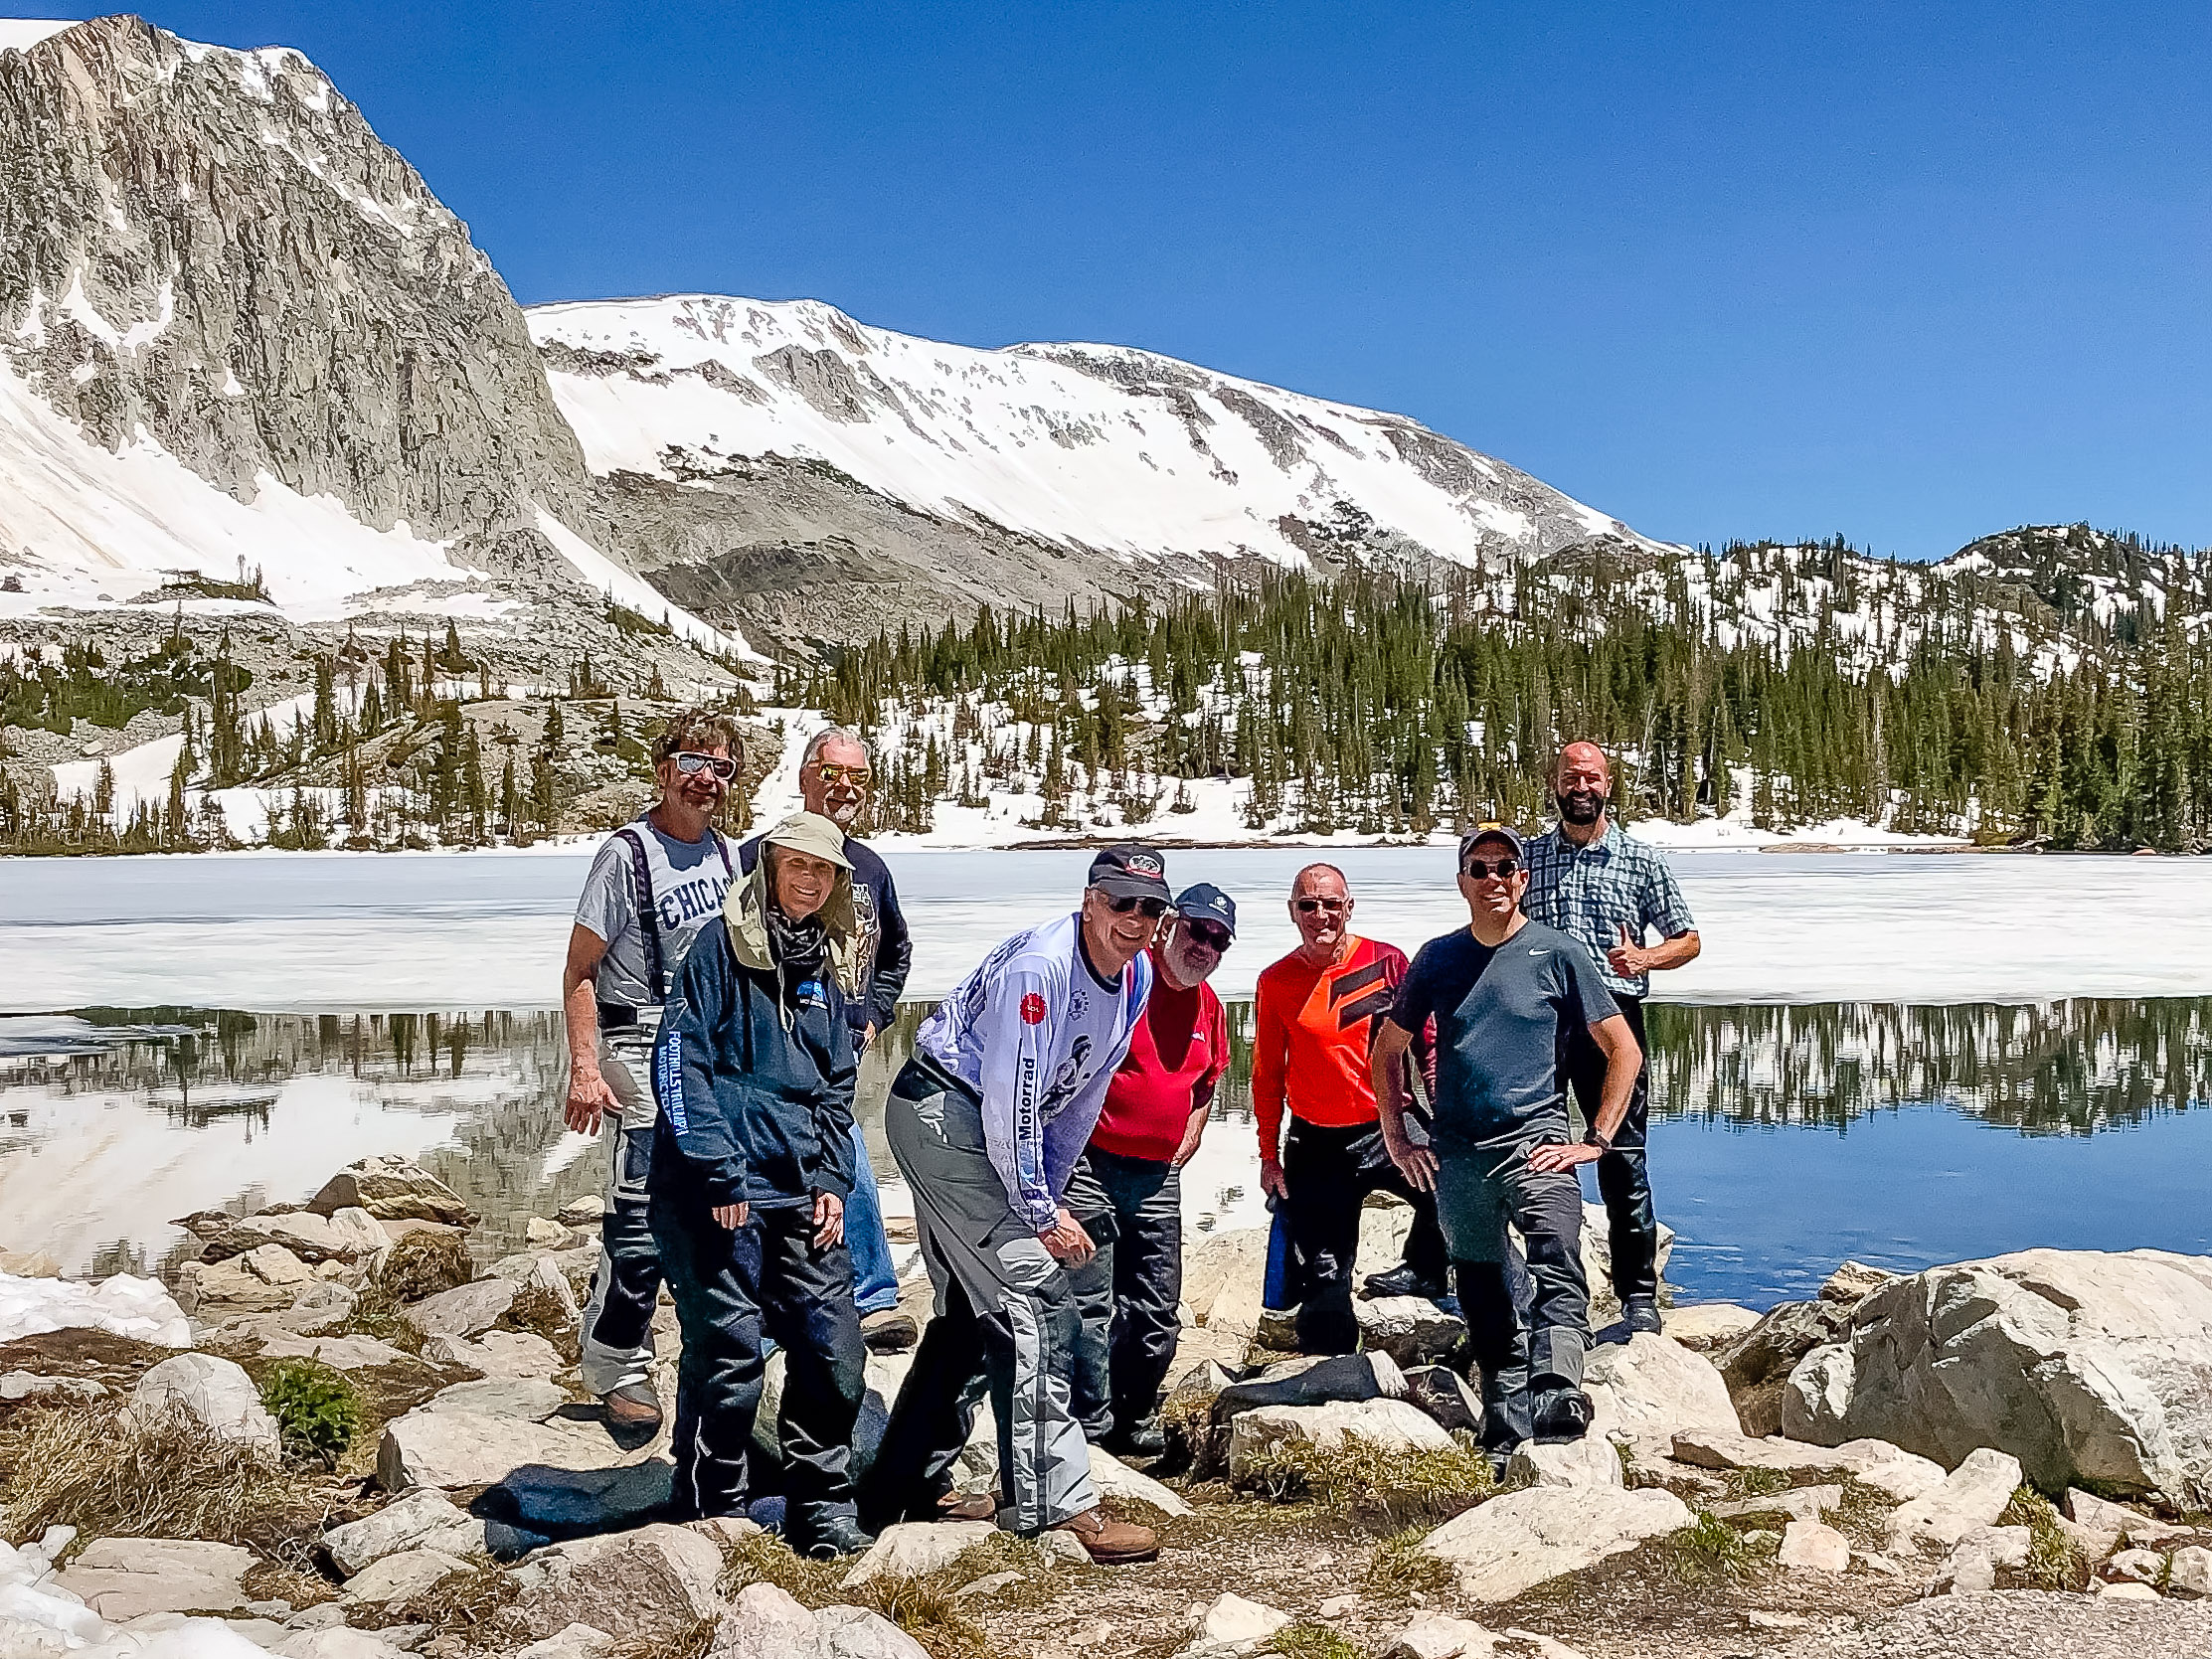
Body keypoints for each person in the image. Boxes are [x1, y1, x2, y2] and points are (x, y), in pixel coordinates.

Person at [859, 845, 1168, 1565]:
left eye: (1150, 907)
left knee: (976, 1308)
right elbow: (1013, 1096)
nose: (1135, 920)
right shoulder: (1041, 969)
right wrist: (1035, 1208)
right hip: (945, 1111)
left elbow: (1080, 1091)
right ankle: (1051, 1504)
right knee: (1032, 1294)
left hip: (988, 1125)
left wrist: (1050, 1186)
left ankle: (902, 1484)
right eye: (1121, 902)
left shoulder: (1136, 975)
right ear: (1090, 900)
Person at [1372, 825, 1642, 1457]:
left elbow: (1621, 1049)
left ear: (1522, 879)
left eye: (1506, 867)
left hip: (1538, 1143)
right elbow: (1388, 1047)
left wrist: (1596, 1140)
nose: (1494, 878)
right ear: (1462, 881)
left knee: (1557, 1259)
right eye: (1479, 867)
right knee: (1482, 1285)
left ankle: (1557, 1391)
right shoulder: (1438, 957)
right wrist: (1397, 1131)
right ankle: (1505, 1415)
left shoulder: (1558, 953)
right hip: (1460, 1152)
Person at [647, 811, 872, 1554]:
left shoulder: (828, 964)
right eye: (794, 865)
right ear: (768, 868)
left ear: (836, 883)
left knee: (834, 1349)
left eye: (823, 871)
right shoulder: (716, 947)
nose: (807, 881)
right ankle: (717, 1503)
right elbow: (680, 1064)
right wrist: (718, 1170)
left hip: (800, 1187)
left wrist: (834, 1178)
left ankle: (822, 1505)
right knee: (729, 1350)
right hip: (713, 1191)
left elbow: (836, 1085)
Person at [562, 708, 741, 1435]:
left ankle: (721, 1345)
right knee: (641, 1197)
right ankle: (617, 1363)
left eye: (721, 767)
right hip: (634, 1034)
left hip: (709, 1044)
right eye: (694, 762)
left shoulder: (731, 858)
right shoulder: (625, 854)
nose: (706, 779)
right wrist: (583, 1065)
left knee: (725, 1192)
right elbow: (580, 968)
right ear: (664, 770)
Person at [739, 726, 917, 1354]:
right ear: (805, 776)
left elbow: (896, 950)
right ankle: (776, 1301)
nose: (844, 787)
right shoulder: (758, 855)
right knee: (771, 1162)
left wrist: (874, 1012)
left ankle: (869, 1294)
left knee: (842, 1151)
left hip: (839, 1043)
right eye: (831, 772)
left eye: (858, 776)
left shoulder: (869, 868)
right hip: (769, 1044)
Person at [1521, 741, 1701, 1333]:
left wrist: (1644, 958)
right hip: (1541, 1024)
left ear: (1608, 784)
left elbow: (1689, 939)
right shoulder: (1530, 859)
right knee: (1530, 1153)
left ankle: (1638, 1296)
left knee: (1622, 1159)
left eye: (1592, 777)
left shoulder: (1640, 860)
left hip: (1614, 1023)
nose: (1582, 786)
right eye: (1571, 776)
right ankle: (1542, 1289)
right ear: (1555, 783)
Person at [1067, 881, 1236, 1458]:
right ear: (1167, 926)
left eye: (1218, 941)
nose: (1204, 947)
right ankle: (1086, 1429)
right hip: (1091, 1163)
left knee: (1157, 1309)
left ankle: (1132, 1414)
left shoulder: (1209, 1006)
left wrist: (1193, 1128)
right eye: (1196, 930)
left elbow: (1207, 1081)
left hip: (1158, 1173)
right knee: (1089, 1302)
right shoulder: (1125, 979)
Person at [1252, 863, 1448, 1355]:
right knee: (1325, 1277)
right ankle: (1328, 1371)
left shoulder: (1387, 962)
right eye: (1308, 905)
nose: (1321, 915)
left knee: (1451, 1187)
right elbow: (1267, 1073)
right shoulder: (1276, 981)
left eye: (1331, 904)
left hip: (1390, 1127)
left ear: (1349, 907)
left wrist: (1442, 1106)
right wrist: (1268, 1154)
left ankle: (1425, 1271)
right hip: (1317, 1141)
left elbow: (1426, 1040)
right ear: (1292, 912)